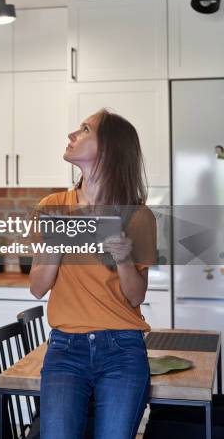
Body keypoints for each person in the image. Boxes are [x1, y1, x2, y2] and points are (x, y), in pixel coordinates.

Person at [29, 109, 157, 439]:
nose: (72, 134)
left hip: (122, 349)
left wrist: (125, 259)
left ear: (110, 149)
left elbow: (136, 296)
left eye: (85, 129)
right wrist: (57, 242)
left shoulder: (138, 216)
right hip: (65, 350)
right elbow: (37, 288)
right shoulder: (53, 206)